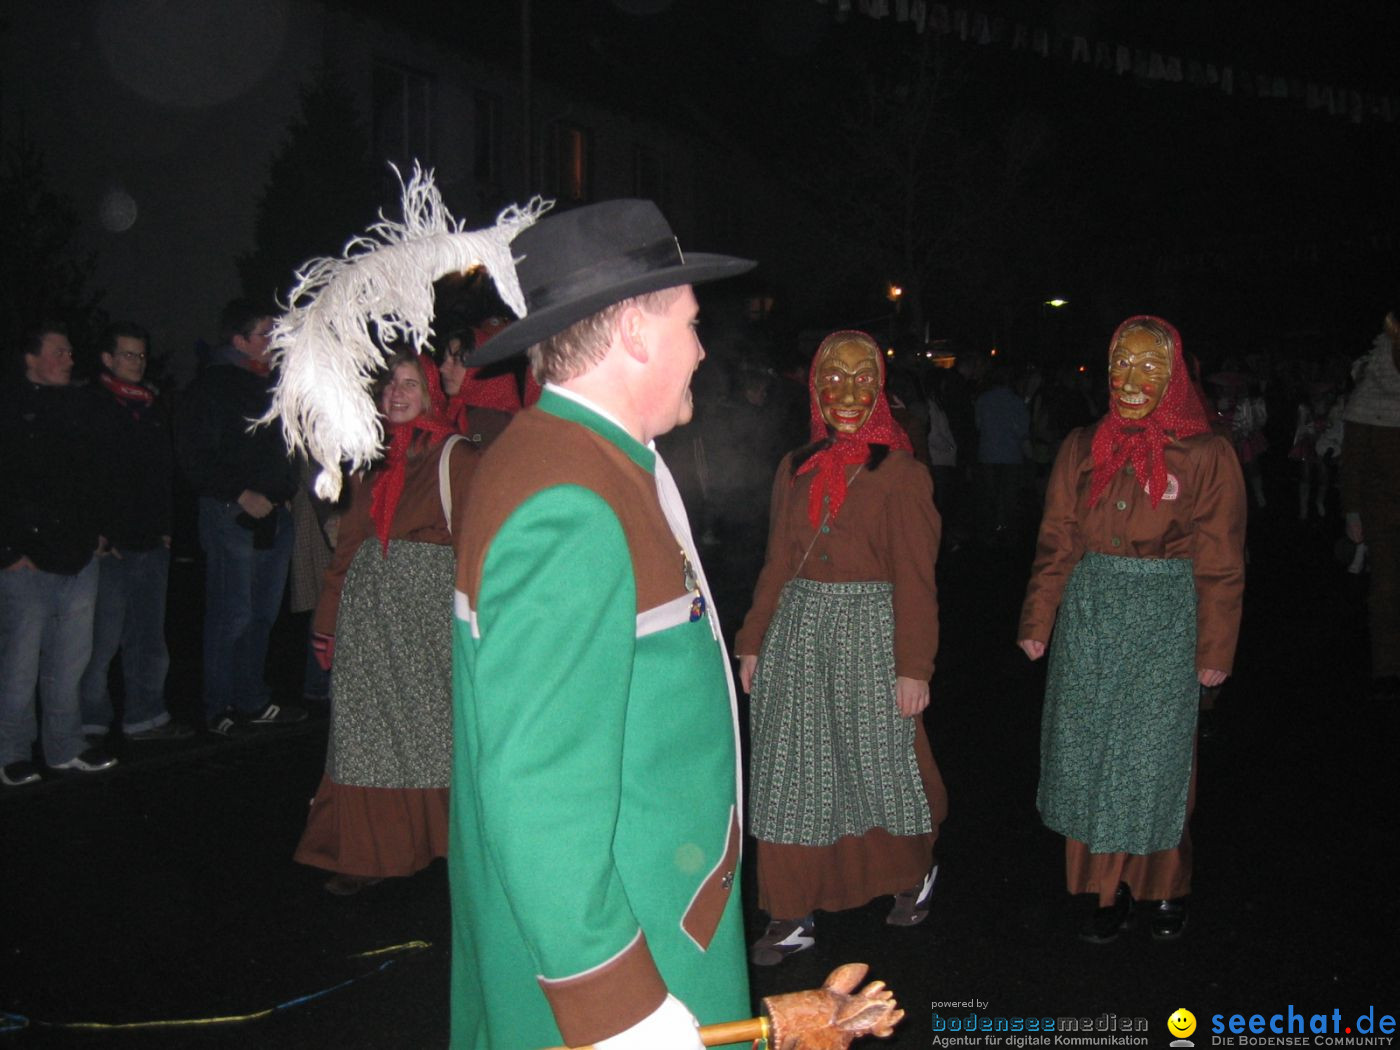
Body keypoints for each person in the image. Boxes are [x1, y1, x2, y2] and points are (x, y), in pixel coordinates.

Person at [449, 200, 754, 1049]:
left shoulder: (583, 458)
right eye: (690, 324)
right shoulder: (571, 501)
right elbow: (538, 790)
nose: (701, 347)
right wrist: (617, 1008)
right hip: (632, 954)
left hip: (657, 912)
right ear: (633, 331)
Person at [1017, 315, 1246, 943]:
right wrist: (1040, 618)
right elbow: (1056, 539)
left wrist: (1214, 647)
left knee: (1153, 760)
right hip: (1091, 614)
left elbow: (1222, 560)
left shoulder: (1206, 453)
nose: (1131, 377)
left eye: (1149, 365)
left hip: (1163, 617)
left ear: (1174, 376)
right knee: (1090, 755)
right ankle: (1102, 886)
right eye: (1121, 362)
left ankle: (1164, 886)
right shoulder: (1081, 445)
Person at [734, 329, 946, 966]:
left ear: (879, 388)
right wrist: (753, 642)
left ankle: (913, 873)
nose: (846, 391)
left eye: (861, 378)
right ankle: (790, 913)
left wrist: (914, 667)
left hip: (870, 640)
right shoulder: (795, 464)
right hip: (796, 638)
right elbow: (776, 561)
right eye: (833, 377)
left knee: (880, 770)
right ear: (815, 389)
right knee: (788, 778)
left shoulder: (901, 474)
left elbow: (916, 579)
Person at [295, 352, 473, 894]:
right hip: (368, 617)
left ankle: (444, 842)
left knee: (433, 736)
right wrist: (327, 623)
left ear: (431, 394)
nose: (397, 393)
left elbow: (482, 545)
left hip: (428, 621)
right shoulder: (369, 459)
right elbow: (347, 547)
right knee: (362, 735)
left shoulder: (457, 455)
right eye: (390, 384)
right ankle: (369, 855)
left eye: (411, 384)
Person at [177, 299, 304, 734]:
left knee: (262, 614)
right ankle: (218, 707)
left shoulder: (272, 384)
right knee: (231, 612)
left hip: (275, 514)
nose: (273, 341)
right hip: (233, 513)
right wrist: (240, 492)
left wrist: (284, 490)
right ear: (240, 340)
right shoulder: (212, 386)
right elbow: (194, 457)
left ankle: (251, 699)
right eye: (265, 333)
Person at [1, 324, 116, 786]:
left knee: (69, 662)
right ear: (30, 358)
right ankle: (11, 752)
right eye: (58, 351)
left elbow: (98, 474)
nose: (69, 358)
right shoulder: (9, 408)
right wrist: (8, 550)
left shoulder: (81, 406)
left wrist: (100, 532)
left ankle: (65, 746)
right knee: (19, 664)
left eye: (71, 350)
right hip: (25, 558)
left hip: (78, 554)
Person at [79, 322, 191, 741]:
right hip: (112, 545)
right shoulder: (93, 405)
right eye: (128, 355)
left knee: (148, 636)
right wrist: (99, 532)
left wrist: (165, 530)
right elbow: (87, 475)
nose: (137, 362)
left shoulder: (151, 406)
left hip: (150, 541)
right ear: (107, 359)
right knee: (101, 639)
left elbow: (163, 472)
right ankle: (89, 720)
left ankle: (145, 716)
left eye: (141, 356)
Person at [1341, 311, 1400, 701]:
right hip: (1383, 509)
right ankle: (1388, 667)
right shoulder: (1369, 397)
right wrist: (1353, 512)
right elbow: (1354, 460)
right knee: (1387, 588)